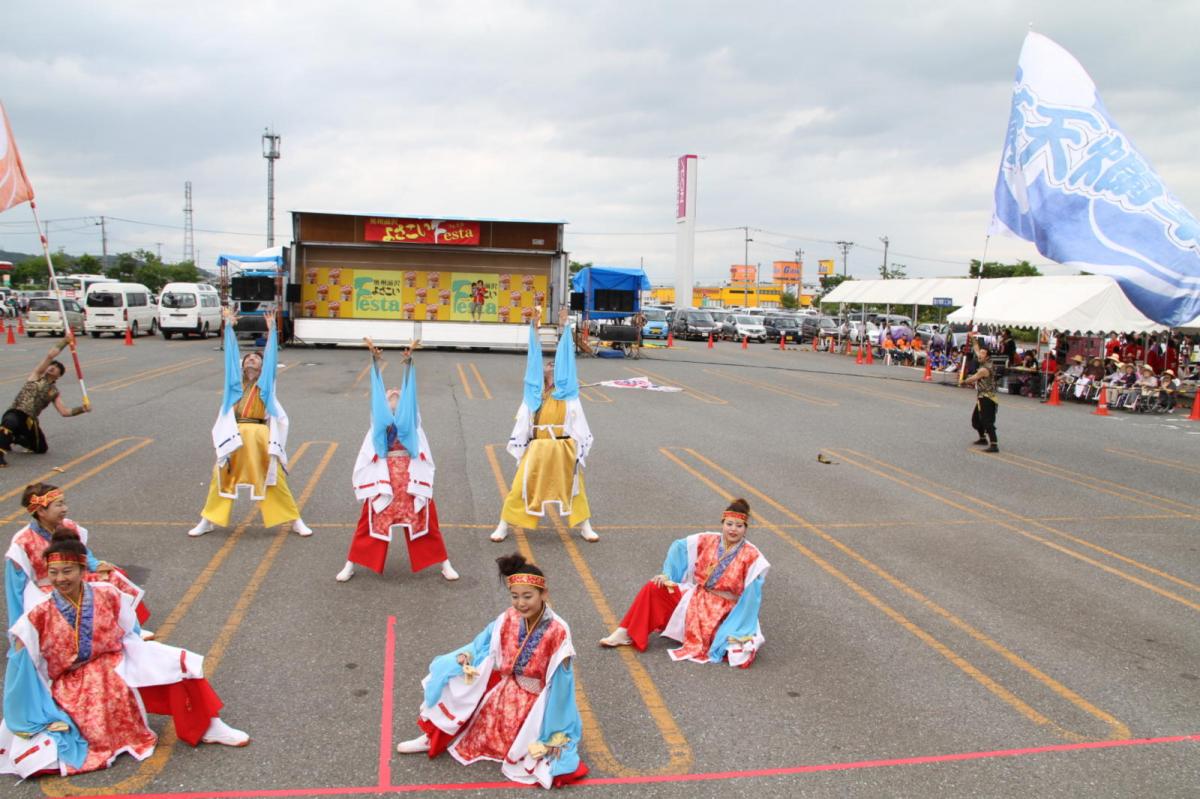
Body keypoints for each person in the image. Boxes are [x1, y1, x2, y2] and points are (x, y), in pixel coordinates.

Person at [0, 528, 248, 778]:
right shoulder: (38, 613)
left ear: (83, 570)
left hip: (115, 659)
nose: (60, 578)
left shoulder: (107, 593)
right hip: (72, 682)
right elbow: (22, 663)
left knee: (178, 663)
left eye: (67, 571)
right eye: (53, 572)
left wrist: (149, 656)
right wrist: (30, 709)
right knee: (44, 756)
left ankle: (208, 725)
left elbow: (130, 630)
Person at [395, 553, 587, 789]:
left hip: (538, 702)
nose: (521, 603)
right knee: (454, 679)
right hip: (505, 688)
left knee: (540, 754)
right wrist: (466, 658)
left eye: (528, 596)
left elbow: (562, 682)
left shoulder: (558, 630)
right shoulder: (508, 617)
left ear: (543, 594)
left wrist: (558, 722)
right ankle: (433, 736)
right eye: (515, 596)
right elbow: (482, 645)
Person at [599, 498, 769, 667]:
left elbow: (752, 598)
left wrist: (741, 621)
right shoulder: (709, 539)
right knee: (655, 587)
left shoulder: (752, 555)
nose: (733, 530)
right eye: (729, 524)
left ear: (745, 529)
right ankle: (626, 632)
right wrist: (668, 574)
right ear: (722, 523)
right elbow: (680, 547)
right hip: (696, 596)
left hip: (724, 610)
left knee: (732, 647)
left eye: (739, 526)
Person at [338, 342, 457, 583]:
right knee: (368, 522)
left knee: (426, 521)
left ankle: (444, 563)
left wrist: (409, 364)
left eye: (397, 392)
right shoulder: (378, 427)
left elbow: (410, 392)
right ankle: (351, 563)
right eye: (389, 392)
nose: (393, 391)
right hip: (385, 477)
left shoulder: (412, 424)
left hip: (409, 476)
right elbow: (376, 393)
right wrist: (374, 362)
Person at [188, 308, 311, 537]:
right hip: (234, 434)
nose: (251, 359)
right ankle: (208, 519)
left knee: (274, 479)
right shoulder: (234, 385)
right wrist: (228, 327)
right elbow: (231, 358)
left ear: (264, 368)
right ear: (242, 366)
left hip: (259, 435)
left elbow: (272, 357)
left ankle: (294, 519)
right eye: (248, 358)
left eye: (256, 357)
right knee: (221, 477)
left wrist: (273, 329)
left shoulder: (266, 385)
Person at [490, 307, 597, 543]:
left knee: (575, 488)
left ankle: (585, 525)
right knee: (520, 486)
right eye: (548, 365)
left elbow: (567, 355)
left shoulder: (567, 394)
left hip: (563, 445)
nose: (552, 365)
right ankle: (503, 524)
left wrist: (564, 324)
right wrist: (534, 327)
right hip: (538, 446)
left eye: (554, 365)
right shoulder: (535, 395)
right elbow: (534, 357)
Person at [6, 483, 152, 635]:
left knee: (112, 576)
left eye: (64, 503)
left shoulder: (68, 526)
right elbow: (15, 590)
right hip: (45, 588)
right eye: (59, 505)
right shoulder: (22, 543)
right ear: (41, 510)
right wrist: (18, 631)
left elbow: (83, 552)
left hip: (74, 578)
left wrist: (96, 565)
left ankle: (126, 628)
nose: (65, 509)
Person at [0, 341, 90, 467]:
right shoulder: (36, 376)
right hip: (16, 412)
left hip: (30, 420)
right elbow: (50, 355)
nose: (52, 367)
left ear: (58, 375)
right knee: (10, 422)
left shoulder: (54, 392)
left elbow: (65, 412)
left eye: (56, 368)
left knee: (41, 448)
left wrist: (82, 409)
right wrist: (65, 341)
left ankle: (13, 438)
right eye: (51, 366)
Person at [964, 342, 999, 452]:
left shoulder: (985, 369)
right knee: (976, 420)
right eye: (981, 353)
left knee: (987, 422)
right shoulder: (984, 361)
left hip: (987, 398)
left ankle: (994, 444)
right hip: (981, 397)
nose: (980, 355)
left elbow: (972, 378)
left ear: (987, 356)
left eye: (983, 353)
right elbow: (976, 350)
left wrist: (963, 380)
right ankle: (983, 438)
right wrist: (973, 339)